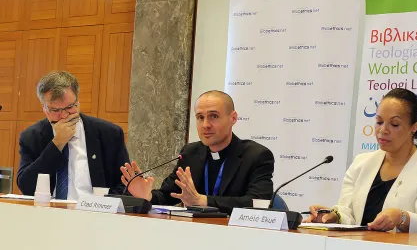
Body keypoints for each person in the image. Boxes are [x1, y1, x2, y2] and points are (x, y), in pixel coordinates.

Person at [304, 88, 417, 235]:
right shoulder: (361, 163)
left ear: (413, 128)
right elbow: (348, 214)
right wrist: (332, 217)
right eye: (379, 122)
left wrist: (402, 218)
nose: (383, 130)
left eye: (394, 124)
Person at [121, 90, 274, 214]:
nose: (205, 125)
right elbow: (169, 194)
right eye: (200, 117)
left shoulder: (256, 156)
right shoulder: (190, 153)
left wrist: (202, 201)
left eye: (213, 116)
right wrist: (147, 196)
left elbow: (258, 203)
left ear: (233, 118)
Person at [17, 71, 129, 200]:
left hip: (94, 214)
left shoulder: (109, 134)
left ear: (78, 102)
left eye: (70, 107)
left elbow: (125, 184)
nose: (64, 115)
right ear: (45, 109)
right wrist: (57, 144)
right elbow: (26, 187)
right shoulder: (31, 137)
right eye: (55, 110)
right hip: (48, 214)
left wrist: (102, 206)